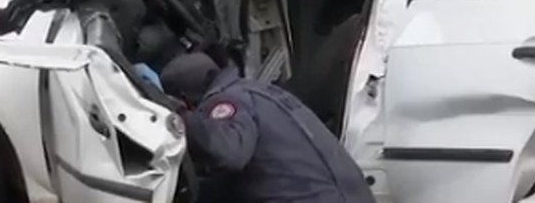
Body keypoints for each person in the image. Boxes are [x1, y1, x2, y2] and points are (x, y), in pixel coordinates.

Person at [160, 52, 375, 203]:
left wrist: (180, 119)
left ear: (185, 98)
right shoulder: (258, 91)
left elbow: (229, 153)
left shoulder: (224, 101)